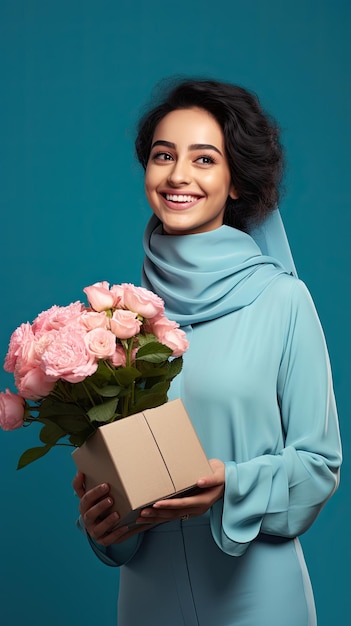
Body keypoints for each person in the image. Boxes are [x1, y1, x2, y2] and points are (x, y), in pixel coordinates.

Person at [73, 79, 342, 626]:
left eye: (204, 159)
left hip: (255, 594)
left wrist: (232, 485)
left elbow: (320, 465)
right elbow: (118, 477)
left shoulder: (282, 299)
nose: (177, 176)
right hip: (148, 594)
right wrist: (103, 528)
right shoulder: (116, 318)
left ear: (236, 181)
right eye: (163, 155)